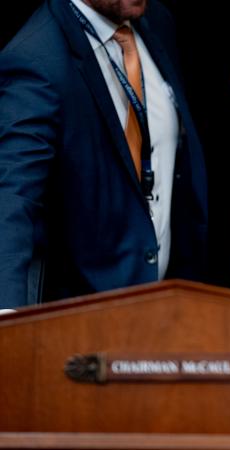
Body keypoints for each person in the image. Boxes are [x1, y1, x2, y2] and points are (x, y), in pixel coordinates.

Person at [0, 0, 208, 309]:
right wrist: (8, 325)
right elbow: (12, 196)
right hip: (88, 322)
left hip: (169, 304)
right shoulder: (36, 58)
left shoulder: (156, 22)